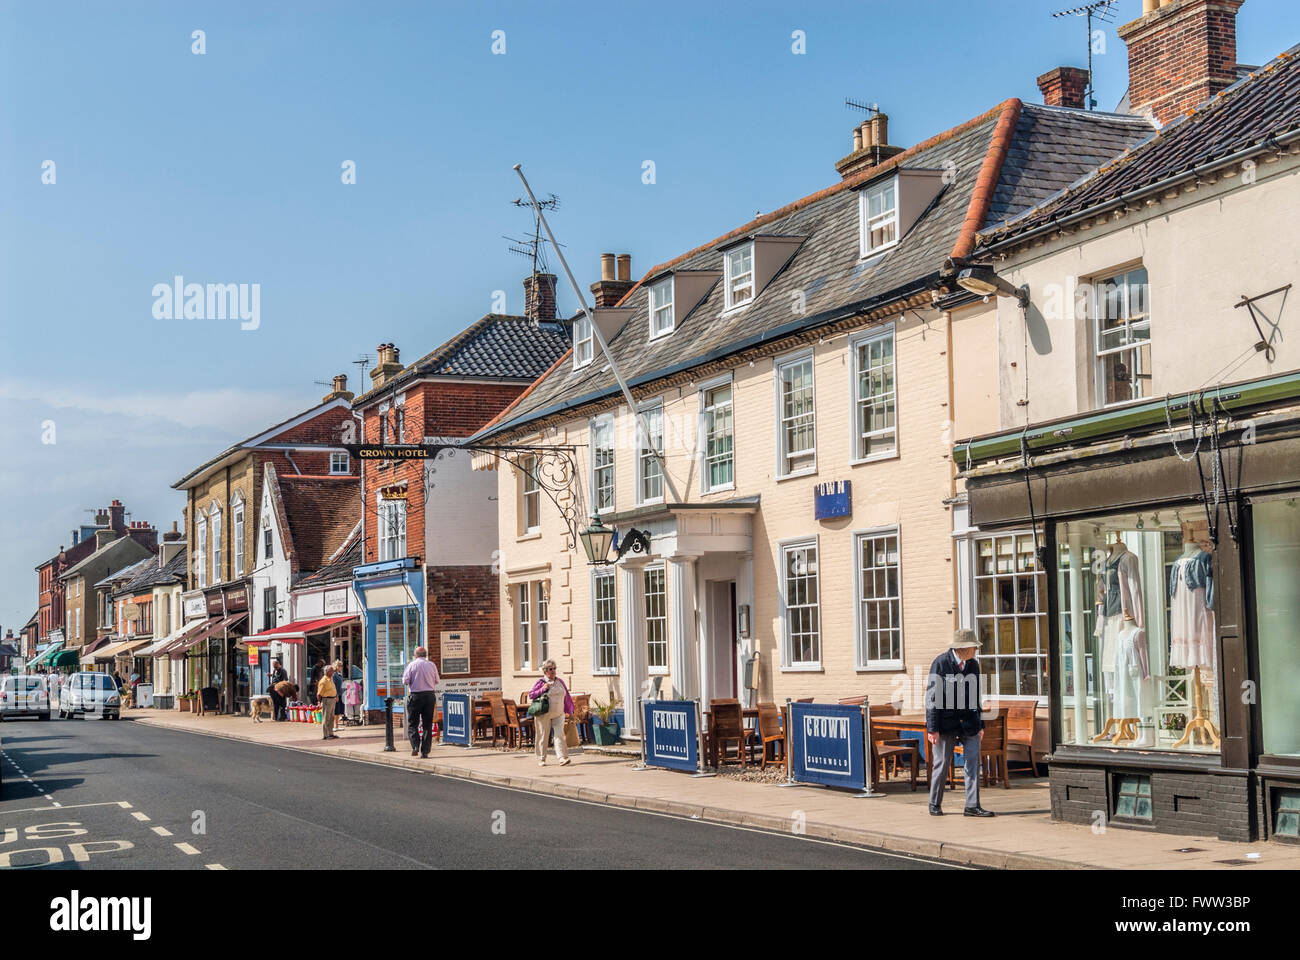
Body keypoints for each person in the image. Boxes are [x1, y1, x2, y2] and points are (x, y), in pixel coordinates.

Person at [925, 629, 994, 818]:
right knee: (942, 762)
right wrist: (932, 728)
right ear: (962, 648)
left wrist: (980, 724)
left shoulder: (973, 665)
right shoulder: (940, 663)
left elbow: (975, 696)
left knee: (972, 761)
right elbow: (932, 698)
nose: (976, 650)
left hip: (969, 722)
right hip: (946, 722)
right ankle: (934, 803)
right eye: (974, 647)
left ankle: (972, 806)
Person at [528, 659, 574, 766]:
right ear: (545, 671)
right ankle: (541, 758)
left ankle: (562, 758)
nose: (553, 671)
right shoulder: (541, 682)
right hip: (544, 714)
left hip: (559, 713)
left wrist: (570, 711)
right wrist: (543, 689)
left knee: (559, 735)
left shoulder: (560, 682)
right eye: (550, 669)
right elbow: (531, 695)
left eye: (554, 668)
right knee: (543, 735)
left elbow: (566, 697)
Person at [401, 647, 440, 758]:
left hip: (416, 696)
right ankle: (425, 751)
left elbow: (405, 681)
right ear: (425, 655)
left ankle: (415, 746)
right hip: (429, 695)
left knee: (413, 723)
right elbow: (437, 680)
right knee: (427, 724)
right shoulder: (432, 665)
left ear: (415, 655)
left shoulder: (412, 665)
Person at [317, 665, 339, 740]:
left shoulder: (330, 679)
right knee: (326, 717)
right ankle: (325, 735)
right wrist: (319, 702)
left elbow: (332, 689)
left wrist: (335, 696)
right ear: (327, 672)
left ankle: (330, 733)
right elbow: (319, 694)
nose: (333, 672)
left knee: (331, 718)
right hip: (327, 700)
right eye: (332, 670)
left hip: (332, 699)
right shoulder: (323, 681)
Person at [332, 659, 347, 732]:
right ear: (337, 666)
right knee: (335, 711)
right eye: (340, 666)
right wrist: (336, 695)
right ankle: (334, 726)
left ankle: (337, 726)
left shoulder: (339, 674)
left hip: (340, 694)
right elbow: (334, 685)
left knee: (338, 711)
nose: (341, 667)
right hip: (336, 695)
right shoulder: (334, 675)